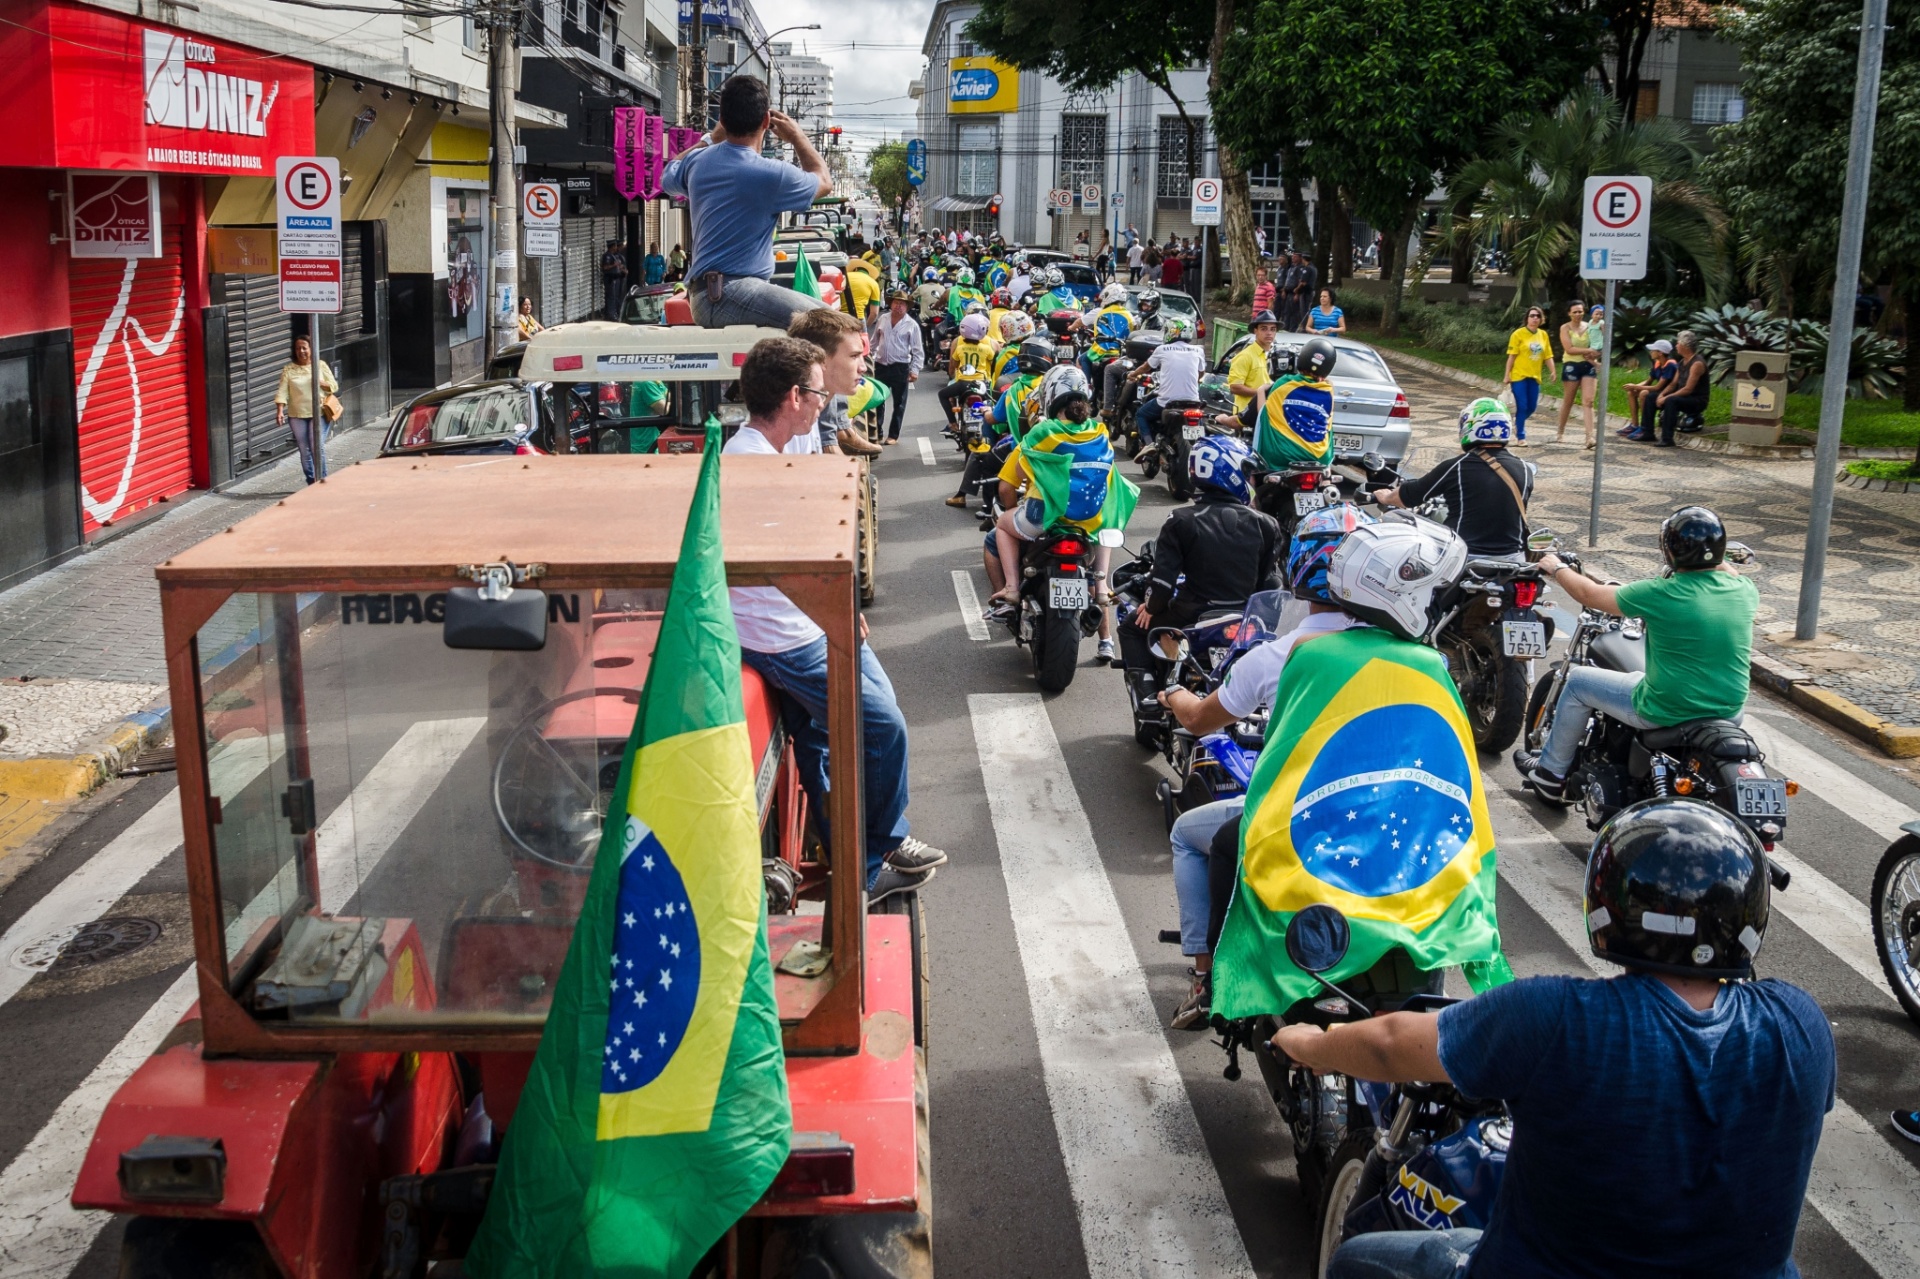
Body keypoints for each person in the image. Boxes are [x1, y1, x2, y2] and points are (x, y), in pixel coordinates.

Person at [1300, 800, 1833, 1279]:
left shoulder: (1557, 1019)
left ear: (1608, 905)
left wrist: (1312, 1044)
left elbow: (1390, 1044)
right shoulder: (1802, 1026)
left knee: (1355, 1259)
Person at [722, 337, 944, 905]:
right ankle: (874, 857)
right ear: (795, 397)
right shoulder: (750, 466)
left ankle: (852, 854)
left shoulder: (774, 454)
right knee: (882, 727)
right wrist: (836, 614)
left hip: (808, 626)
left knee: (819, 744)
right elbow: (783, 564)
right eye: (819, 393)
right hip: (787, 639)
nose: (826, 404)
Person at [1155, 504, 1373, 1027]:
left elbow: (1204, 719)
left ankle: (1207, 977)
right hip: (1377, 808)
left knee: (1189, 833)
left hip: (1293, 814)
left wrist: (1175, 697)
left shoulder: (1277, 655)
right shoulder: (1406, 651)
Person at [1516, 505, 1757, 801]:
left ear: (1670, 551)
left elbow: (1589, 595)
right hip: (1730, 710)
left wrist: (1556, 568)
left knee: (1578, 681)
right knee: (1637, 675)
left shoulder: (1659, 594)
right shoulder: (1744, 590)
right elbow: (1724, 569)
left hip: (1664, 709)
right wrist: (1712, 555)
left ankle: (1550, 774)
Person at [660, 75, 832, 329]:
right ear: (766, 121)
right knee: (836, 327)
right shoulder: (772, 174)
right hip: (733, 292)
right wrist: (797, 137)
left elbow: (668, 174)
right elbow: (824, 182)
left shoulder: (698, 162)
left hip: (702, 296)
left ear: (722, 121)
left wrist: (708, 140)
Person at [984, 365, 1131, 660]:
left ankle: (1011, 591)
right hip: (1090, 522)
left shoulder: (1042, 433)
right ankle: (1106, 635)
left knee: (1000, 527)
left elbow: (1005, 488)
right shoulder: (1100, 433)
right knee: (1099, 564)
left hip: (1044, 519)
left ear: (1051, 398)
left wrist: (1012, 510)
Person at [1373, 397, 1533, 559]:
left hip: (1465, 556)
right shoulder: (1525, 469)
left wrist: (1385, 497)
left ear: (1469, 426)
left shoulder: (1457, 466)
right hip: (1514, 558)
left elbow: (1409, 497)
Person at [789, 306, 882, 457]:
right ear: (820, 358)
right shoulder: (791, 437)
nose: (863, 368)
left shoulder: (806, 426)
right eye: (854, 356)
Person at [1125, 316, 1207, 462]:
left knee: (1141, 414)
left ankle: (1149, 444)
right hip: (1194, 402)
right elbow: (1201, 373)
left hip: (1168, 401)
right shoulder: (1198, 350)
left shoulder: (1162, 349)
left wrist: (1133, 374)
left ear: (1172, 332)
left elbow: (1146, 367)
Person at [275, 334, 338, 486]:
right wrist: (279, 411)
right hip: (297, 415)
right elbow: (282, 391)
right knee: (304, 449)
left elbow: (334, 386)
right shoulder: (289, 369)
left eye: (304, 348)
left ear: (311, 349)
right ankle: (311, 481)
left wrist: (323, 384)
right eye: (298, 348)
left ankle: (322, 479)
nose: (301, 351)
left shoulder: (320, 365)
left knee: (316, 445)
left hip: (319, 413)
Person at [869, 289, 923, 444]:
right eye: (896, 303)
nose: (899, 306)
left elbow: (918, 350)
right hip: (881, 366)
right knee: (878, 401)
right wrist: (869, 359)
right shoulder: (883, 319)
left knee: (899, 403)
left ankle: (893, 435)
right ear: (891, 304)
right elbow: (874, 341)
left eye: (902, 304)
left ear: (906, 307)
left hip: (900, 367)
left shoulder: (911, 324)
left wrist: (915, 370)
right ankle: (877, 432)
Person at [1643, 329, 1709, 448]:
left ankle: (1667, 438)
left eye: (1678, 343)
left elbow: (1688, 389)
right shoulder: (1682, 361)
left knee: (1671, 401)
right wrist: (1661, 395)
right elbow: (1673, 384)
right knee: (1651, 396)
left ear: (1685, 346)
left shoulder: (1697, 363)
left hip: (1696, 400)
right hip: (1682, 396)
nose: (1676, 346)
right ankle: (1647, 432)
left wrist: (1666, 397)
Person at [1502, 305, 1556, 445]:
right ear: (1527, 318)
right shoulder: (1518, 334)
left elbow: (1547, 355)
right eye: (1532, 316)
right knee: (1523, 405)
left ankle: (1517, 422)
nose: (1535, 318)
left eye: (1538, 316)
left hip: (1534, 376)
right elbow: (1511, 357)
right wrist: (1507, 375)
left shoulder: (1543, 335)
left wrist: (1553, 370)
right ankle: (1521, 436)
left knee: (1531, 407)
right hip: (1519, 376)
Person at [1074, 283, 1134, 408]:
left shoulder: (1101, 312)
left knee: (1082, 359)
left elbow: (1089, 328)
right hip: (1121, 352)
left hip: (1101, 351)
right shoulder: (1129, 315)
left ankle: (1086, 388)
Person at [940, 312, 999, 430]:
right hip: (982, 383)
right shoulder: (987, 349)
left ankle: (953, 423)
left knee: (942, 395)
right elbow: (994, 365)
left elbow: (953, 367)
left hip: (962, 384)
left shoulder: (959, 348)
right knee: (994, 403)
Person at [1555, 299, 1600, 448]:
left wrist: (1595, 355)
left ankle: (1589, 437)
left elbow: (1597, 345)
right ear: (1569, 313)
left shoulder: (1590, 327)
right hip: (1571, 365)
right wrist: (1588, 351)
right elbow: (1569, 348)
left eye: (1580, 311)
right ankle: (1560, 430)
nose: (1578, 314)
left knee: (1588, 401)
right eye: (1574, 312)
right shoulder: (1565, 328)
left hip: (1588, 365)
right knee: (1569, 399)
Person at [1227, 311, 1281, 414]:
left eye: (1273, 329)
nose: (1269, 333)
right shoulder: (1245, 356)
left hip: (1270, 414)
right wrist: (1264, 393)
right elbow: (1235, 387)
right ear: (1255, 331)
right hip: (1247, 416)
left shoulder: (1278, 356)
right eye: (1264, 329)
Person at [1623, 338, 1677, 433]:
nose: (1651, 352)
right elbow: (1649, 381)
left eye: (1653, 350)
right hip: (1658, 391)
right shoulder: (1657, 363)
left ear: (1660, 353)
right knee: (1631, 392)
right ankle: (1635, 425)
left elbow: (1658, 387)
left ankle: (1645, 426)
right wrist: (1633, 387)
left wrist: (1635, 386)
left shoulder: (1670, 365)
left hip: (1667, 393)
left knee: (1643, 393)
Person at [1289, 252, 1319, 333]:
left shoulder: (1307, 268)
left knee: (1304, 311)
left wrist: (1296, 289)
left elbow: (1303, 282)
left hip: (1306, 292)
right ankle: (1306, 327)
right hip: (1310, 291)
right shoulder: (1314, 268)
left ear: (1304, 259)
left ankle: (1305, 328)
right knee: (1307, 310)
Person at [600, 239, 628, 320]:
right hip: (610, 279)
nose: (616, 247)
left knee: (615, 297)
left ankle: (614, 313)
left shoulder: (614, 256)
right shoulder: (607, 256)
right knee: (611, 297)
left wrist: (623, 269)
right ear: (612, 246)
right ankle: (610, 315)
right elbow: (605, 267)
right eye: (615, 246)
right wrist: (613, 265)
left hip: (616, 279)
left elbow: (618, 266)